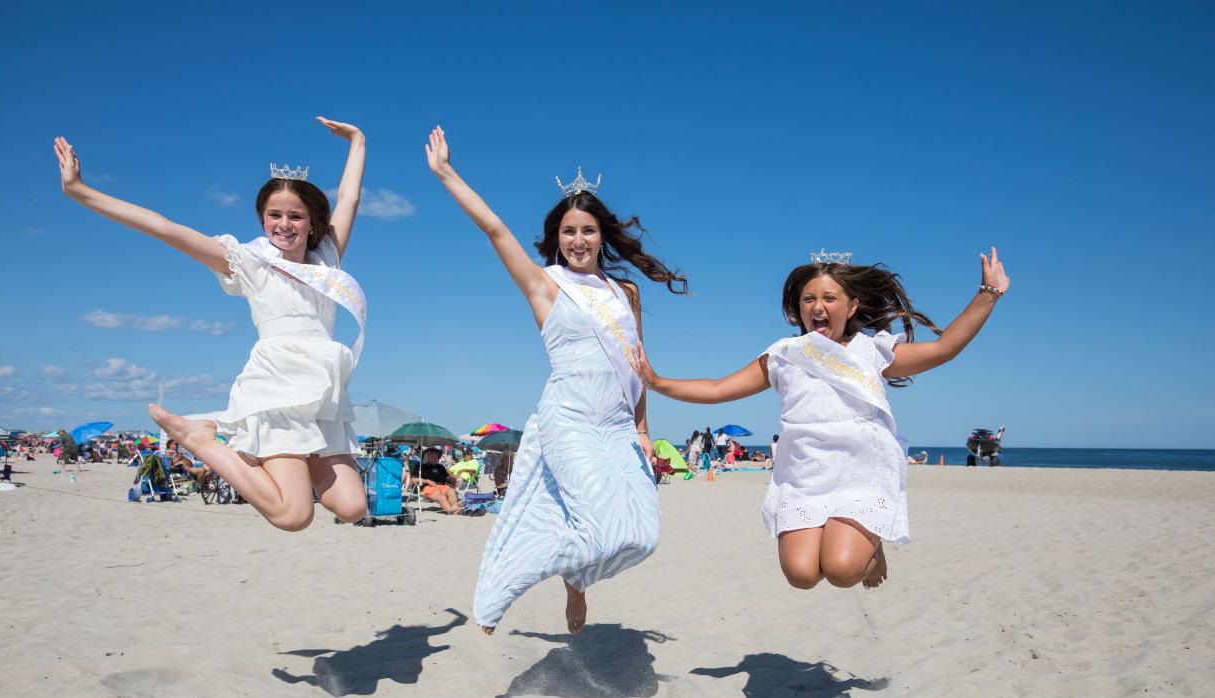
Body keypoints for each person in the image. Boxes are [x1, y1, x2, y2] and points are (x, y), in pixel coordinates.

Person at [426, 126, 687, 635]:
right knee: (598, 525)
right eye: (569, 231)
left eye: (588, 230)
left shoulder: (625, 293)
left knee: (643, 534)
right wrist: (446, 173)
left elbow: (635, 365)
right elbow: (497, 230)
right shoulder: (546, 285)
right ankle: (519, 572)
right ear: (557, 237)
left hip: (617, 425)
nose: (578, 240)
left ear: (602, 235)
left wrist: (641, 429)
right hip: (569, 416)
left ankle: (575, 579)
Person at [53, 118, 369, 531]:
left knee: (352, 507)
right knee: (294, 515)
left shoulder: (326, 260)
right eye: (274, 215)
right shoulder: (251, 261)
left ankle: (263, 452)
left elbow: (349, 199)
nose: (284, 224)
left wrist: (358, 142)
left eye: (296, 215)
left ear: (312, 222)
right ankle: (201, 440)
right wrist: (81, 192)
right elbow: (167, 229)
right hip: (279, 389)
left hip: (324, 391)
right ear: (262, 218)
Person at [634, 248, 1010, 591]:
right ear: (797, 310)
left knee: (842, 570)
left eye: (829, 298)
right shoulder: (784, 355)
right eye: (809, 299)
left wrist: (987, 294)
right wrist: (657, 382)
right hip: (805, 475)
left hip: (862, 471)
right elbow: (717, 388)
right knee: (801, 575)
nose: (818, 306)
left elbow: (944, 349)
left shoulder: (873, 351)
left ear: (851, 306)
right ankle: (856, 543)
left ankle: (872, 544)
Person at [406, 447, 462, 514]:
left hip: (442, 486)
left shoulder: (440, 467)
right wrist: (426, 481)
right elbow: (412, 480)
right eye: (432, 453)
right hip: (428, 487)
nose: (435, 455)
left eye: (436, 453)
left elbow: (447, 477)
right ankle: (451, 510)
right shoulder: (420, 466)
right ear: (426, 455)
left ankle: (455, 509)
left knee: (451, 491)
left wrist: (453, 480)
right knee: (440, 495)